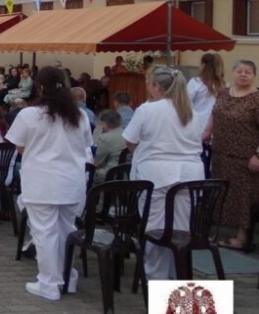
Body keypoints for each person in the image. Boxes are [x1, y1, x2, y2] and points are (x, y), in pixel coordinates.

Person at [6, 66, 92, 301]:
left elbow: (20, 147)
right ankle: (67, 276)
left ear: (40, 87)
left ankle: (49, 283)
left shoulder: (29, 115)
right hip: (71, 181)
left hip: (42, 181)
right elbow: (86, 145)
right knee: (66, 229)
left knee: (44, 232)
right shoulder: (80, 115)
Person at [123, 66, 206, 279]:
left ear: (156, 86)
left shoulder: (148, 110)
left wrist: (144, 150)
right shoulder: (192, 113)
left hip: (157, 174)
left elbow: (130, 140)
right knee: (180, 229)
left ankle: (155, 278)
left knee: (155, 228)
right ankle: (175, 276)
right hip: (190, 176)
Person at [204, 59, 259, 251]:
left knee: (243, 198)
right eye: (240, 71)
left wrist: (257, 155)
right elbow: (214, 114)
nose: (243, 75)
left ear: (253, 76)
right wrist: (207, 132)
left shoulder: (256, 98)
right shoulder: (224, 93)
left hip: (245, 157)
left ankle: (242, 238)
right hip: (220, 153)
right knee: (223, 194)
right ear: (233, 73)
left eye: (248, 72)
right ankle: (221, 232)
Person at [186, 53, 225, 120]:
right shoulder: (224, 85)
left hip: (198, 123)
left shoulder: (195, 82)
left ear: (203, 65)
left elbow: (186, 104)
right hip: (217, 124)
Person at [92, 109, 126, 182]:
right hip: (126, 175)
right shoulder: (127, 134)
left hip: (109, 176)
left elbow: (98, 164)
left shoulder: (105, 138)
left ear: (107, 124)